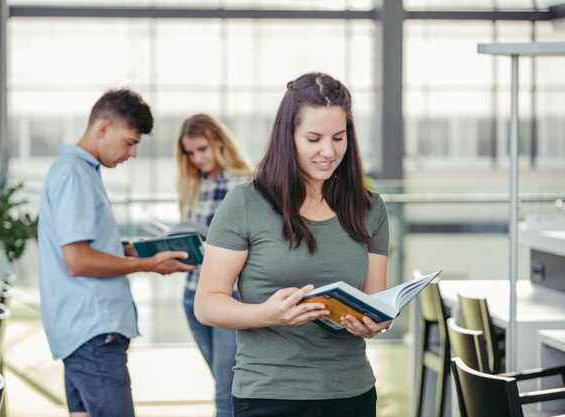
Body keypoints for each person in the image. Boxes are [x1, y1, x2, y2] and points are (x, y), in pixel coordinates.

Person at [194, 72, 392, 417]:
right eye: (313, 138)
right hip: (270, 395)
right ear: (289, 137)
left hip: (351, 393)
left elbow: (376, 301)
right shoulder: (245, 203)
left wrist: (375, 322)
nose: (328, 151)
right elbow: (208, 304)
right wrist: (267, 314)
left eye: (338, 138)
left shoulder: (370, 208)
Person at [38, 88, 196, 417]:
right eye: (130, 141)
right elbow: (78, 260)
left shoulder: (81, 173)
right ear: (103, 128)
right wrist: (147, 264)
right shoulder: (73, 175)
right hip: (94, 333)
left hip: (83, 333)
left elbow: (89, 249)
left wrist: (133, 250)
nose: (133, 153)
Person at [175, 114, 253, 417]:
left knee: (226, 389)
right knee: (222, 382)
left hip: (229, 296)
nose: (197, 158)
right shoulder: (195, 184)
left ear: (220, 143)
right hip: (193, 294)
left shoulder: (246, 182)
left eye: (202, 149)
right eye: (190, 153)